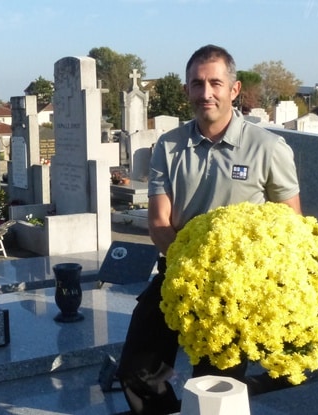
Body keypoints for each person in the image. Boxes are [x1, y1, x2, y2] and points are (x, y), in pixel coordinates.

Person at [116, 44, 302, 414]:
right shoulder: (169, 146)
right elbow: (158, 222)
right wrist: (190, 267)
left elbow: (290, 225)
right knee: (137, 371)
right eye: (197, 84)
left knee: (215, 389)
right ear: (186, 90)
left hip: (236, 291)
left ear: (233, 90)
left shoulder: (267, 148)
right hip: (178, 274)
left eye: (215, 83)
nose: (206, 93)